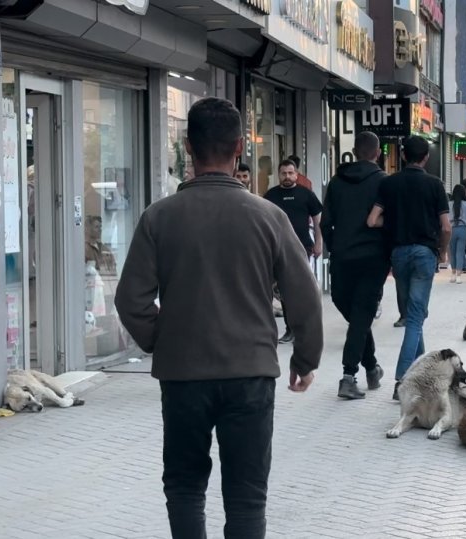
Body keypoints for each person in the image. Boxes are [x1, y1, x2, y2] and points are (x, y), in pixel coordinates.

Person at [114, 97, 322, 539]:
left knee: (185, 486)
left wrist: (161, 339)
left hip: (183, 374)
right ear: (240, 147)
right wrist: (306, 357)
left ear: (188, 147)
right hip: (250, 372)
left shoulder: (159, 217)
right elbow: (304, 297)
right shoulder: (270, 217)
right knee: (247, 496)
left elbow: (131, 299)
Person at [367, 135, 451, 399]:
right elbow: (446, 226)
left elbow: (372, 221)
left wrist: (393, 225)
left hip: (398, 255)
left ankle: (424, 365)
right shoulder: (435, 184)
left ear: (403, 156)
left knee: (412, 314)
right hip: (425, 253)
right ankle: (402, 381)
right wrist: (443, 251)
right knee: (415, 317)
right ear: (425, 157)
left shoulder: (389, 183)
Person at [320, 132, 389, 400]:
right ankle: (357, 372)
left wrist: (335, 247)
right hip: (373, 258)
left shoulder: (336, 183)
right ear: (378, 152)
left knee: (353, 311)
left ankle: (364, 370)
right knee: (361, 317)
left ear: (355, 151)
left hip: (342, 259)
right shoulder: (383, 182)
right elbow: (389, 220)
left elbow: (325, 223)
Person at [264, 160, 324, 343]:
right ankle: (290, 329)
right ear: (279, 174)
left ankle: (306, 328)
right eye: (284, 173)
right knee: (283, 291)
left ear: (297, 174)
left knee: (303, 290)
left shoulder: (306, 194)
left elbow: (317, 220)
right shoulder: (270, 196)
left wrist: (319, 243)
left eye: (291, 173)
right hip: (277, 248)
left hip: (302, 247)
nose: (287, 177)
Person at [448, 184, 466, 283]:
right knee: (460, 252)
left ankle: (453, 274)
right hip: (463, 229)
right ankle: (459, 275)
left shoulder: (449, 204)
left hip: (451, 229)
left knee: (452, 252)